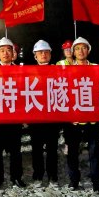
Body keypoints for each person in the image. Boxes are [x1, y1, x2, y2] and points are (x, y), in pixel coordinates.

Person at [63, 37, 99, 193]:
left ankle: (96, 182)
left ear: (89, 50)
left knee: (95, 152)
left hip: (92, 119)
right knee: (72, 153)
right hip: (73, 120)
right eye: (77, 48)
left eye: (84, 48)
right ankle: (74, 181)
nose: (81, 51)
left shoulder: (97, 68)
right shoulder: (67, 69)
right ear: (73, 52)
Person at [0, 37, 24, 188]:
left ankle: (16, 177)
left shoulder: (21, 71)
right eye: (2, 51)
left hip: (15, 116)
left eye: (8, 50)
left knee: (16, 150)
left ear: (13, 53)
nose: (5, 53)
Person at [29, 40, 60, 186]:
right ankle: (38, 176)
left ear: (50, 54)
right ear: (35, 56)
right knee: (36, 148)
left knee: (52, 148)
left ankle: (53, 176)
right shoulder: (28, 72)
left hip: (52, 115)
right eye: (40, 52)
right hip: (35, 116)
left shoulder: (58, 70)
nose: (43, 54)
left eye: (46, 52)